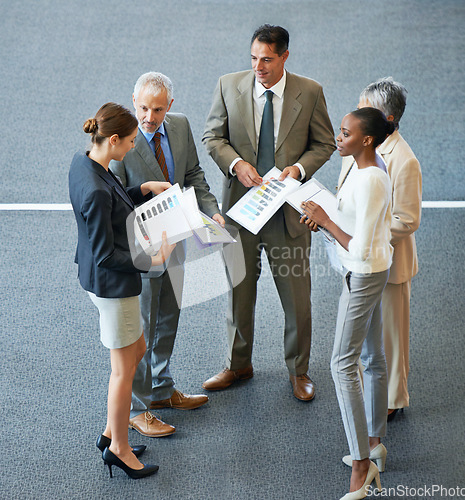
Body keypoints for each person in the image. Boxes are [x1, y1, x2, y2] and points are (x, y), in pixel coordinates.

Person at [202, 24, 336, 401]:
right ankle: (238, 365)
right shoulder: (229, 85)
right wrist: (236, 165)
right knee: (237, 292)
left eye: (267, 60)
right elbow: (213, 137)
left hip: (286, 214)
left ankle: (299, 371)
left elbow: (324, 143)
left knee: (297, 298)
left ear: (284, 57)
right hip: (241, 211)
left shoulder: (309, 92)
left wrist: (299, 170)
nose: (258, 67)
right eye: (253, 58)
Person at [110, 72, 224, 437]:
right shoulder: (122, 140)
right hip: (142, 251)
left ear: (169, 107)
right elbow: (114, 197)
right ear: (133, 101)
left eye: (157, 109)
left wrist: (211, 209)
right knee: (139, 331)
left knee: (168, 318)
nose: (148, 117)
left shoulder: (180, 126)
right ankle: (138, 409)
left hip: (177, 241)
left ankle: (160, 390)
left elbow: (193, 174)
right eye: (143, 107)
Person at [69, 102, 176, 478]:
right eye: (130, 141)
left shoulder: (85, 163)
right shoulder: (95, 189)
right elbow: (105, 256)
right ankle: (119, 447)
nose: (133, 147)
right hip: (113, 288)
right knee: (123, 369)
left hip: (104, 284)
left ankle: (109, 432)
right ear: (113, 139)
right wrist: (152, 259)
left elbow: (114, 198)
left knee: (137, 351)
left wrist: (144, 188)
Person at [301, 108, 394, 499]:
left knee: (342, 364)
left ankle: (362, 464)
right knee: (371, 356)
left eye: (345, 134)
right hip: (368, 270)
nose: (338, 139)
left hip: (364, 274)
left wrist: (324, 220)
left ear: (367, 140)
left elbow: (360, 243)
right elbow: (354, 223)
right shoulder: (364, 166)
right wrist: (324, 217)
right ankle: (374, 444)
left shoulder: (372, 179)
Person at [338, 77, 422, 420]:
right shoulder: (361, 142)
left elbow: (407, 219)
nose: (356, 114)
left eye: (364, 108)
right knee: (370, 338)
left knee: (391, 335)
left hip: (386, 262)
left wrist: (364, 234)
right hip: (357, 255)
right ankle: (372, 394)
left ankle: (392, 401)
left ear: (385, 119)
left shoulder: (404, 160)